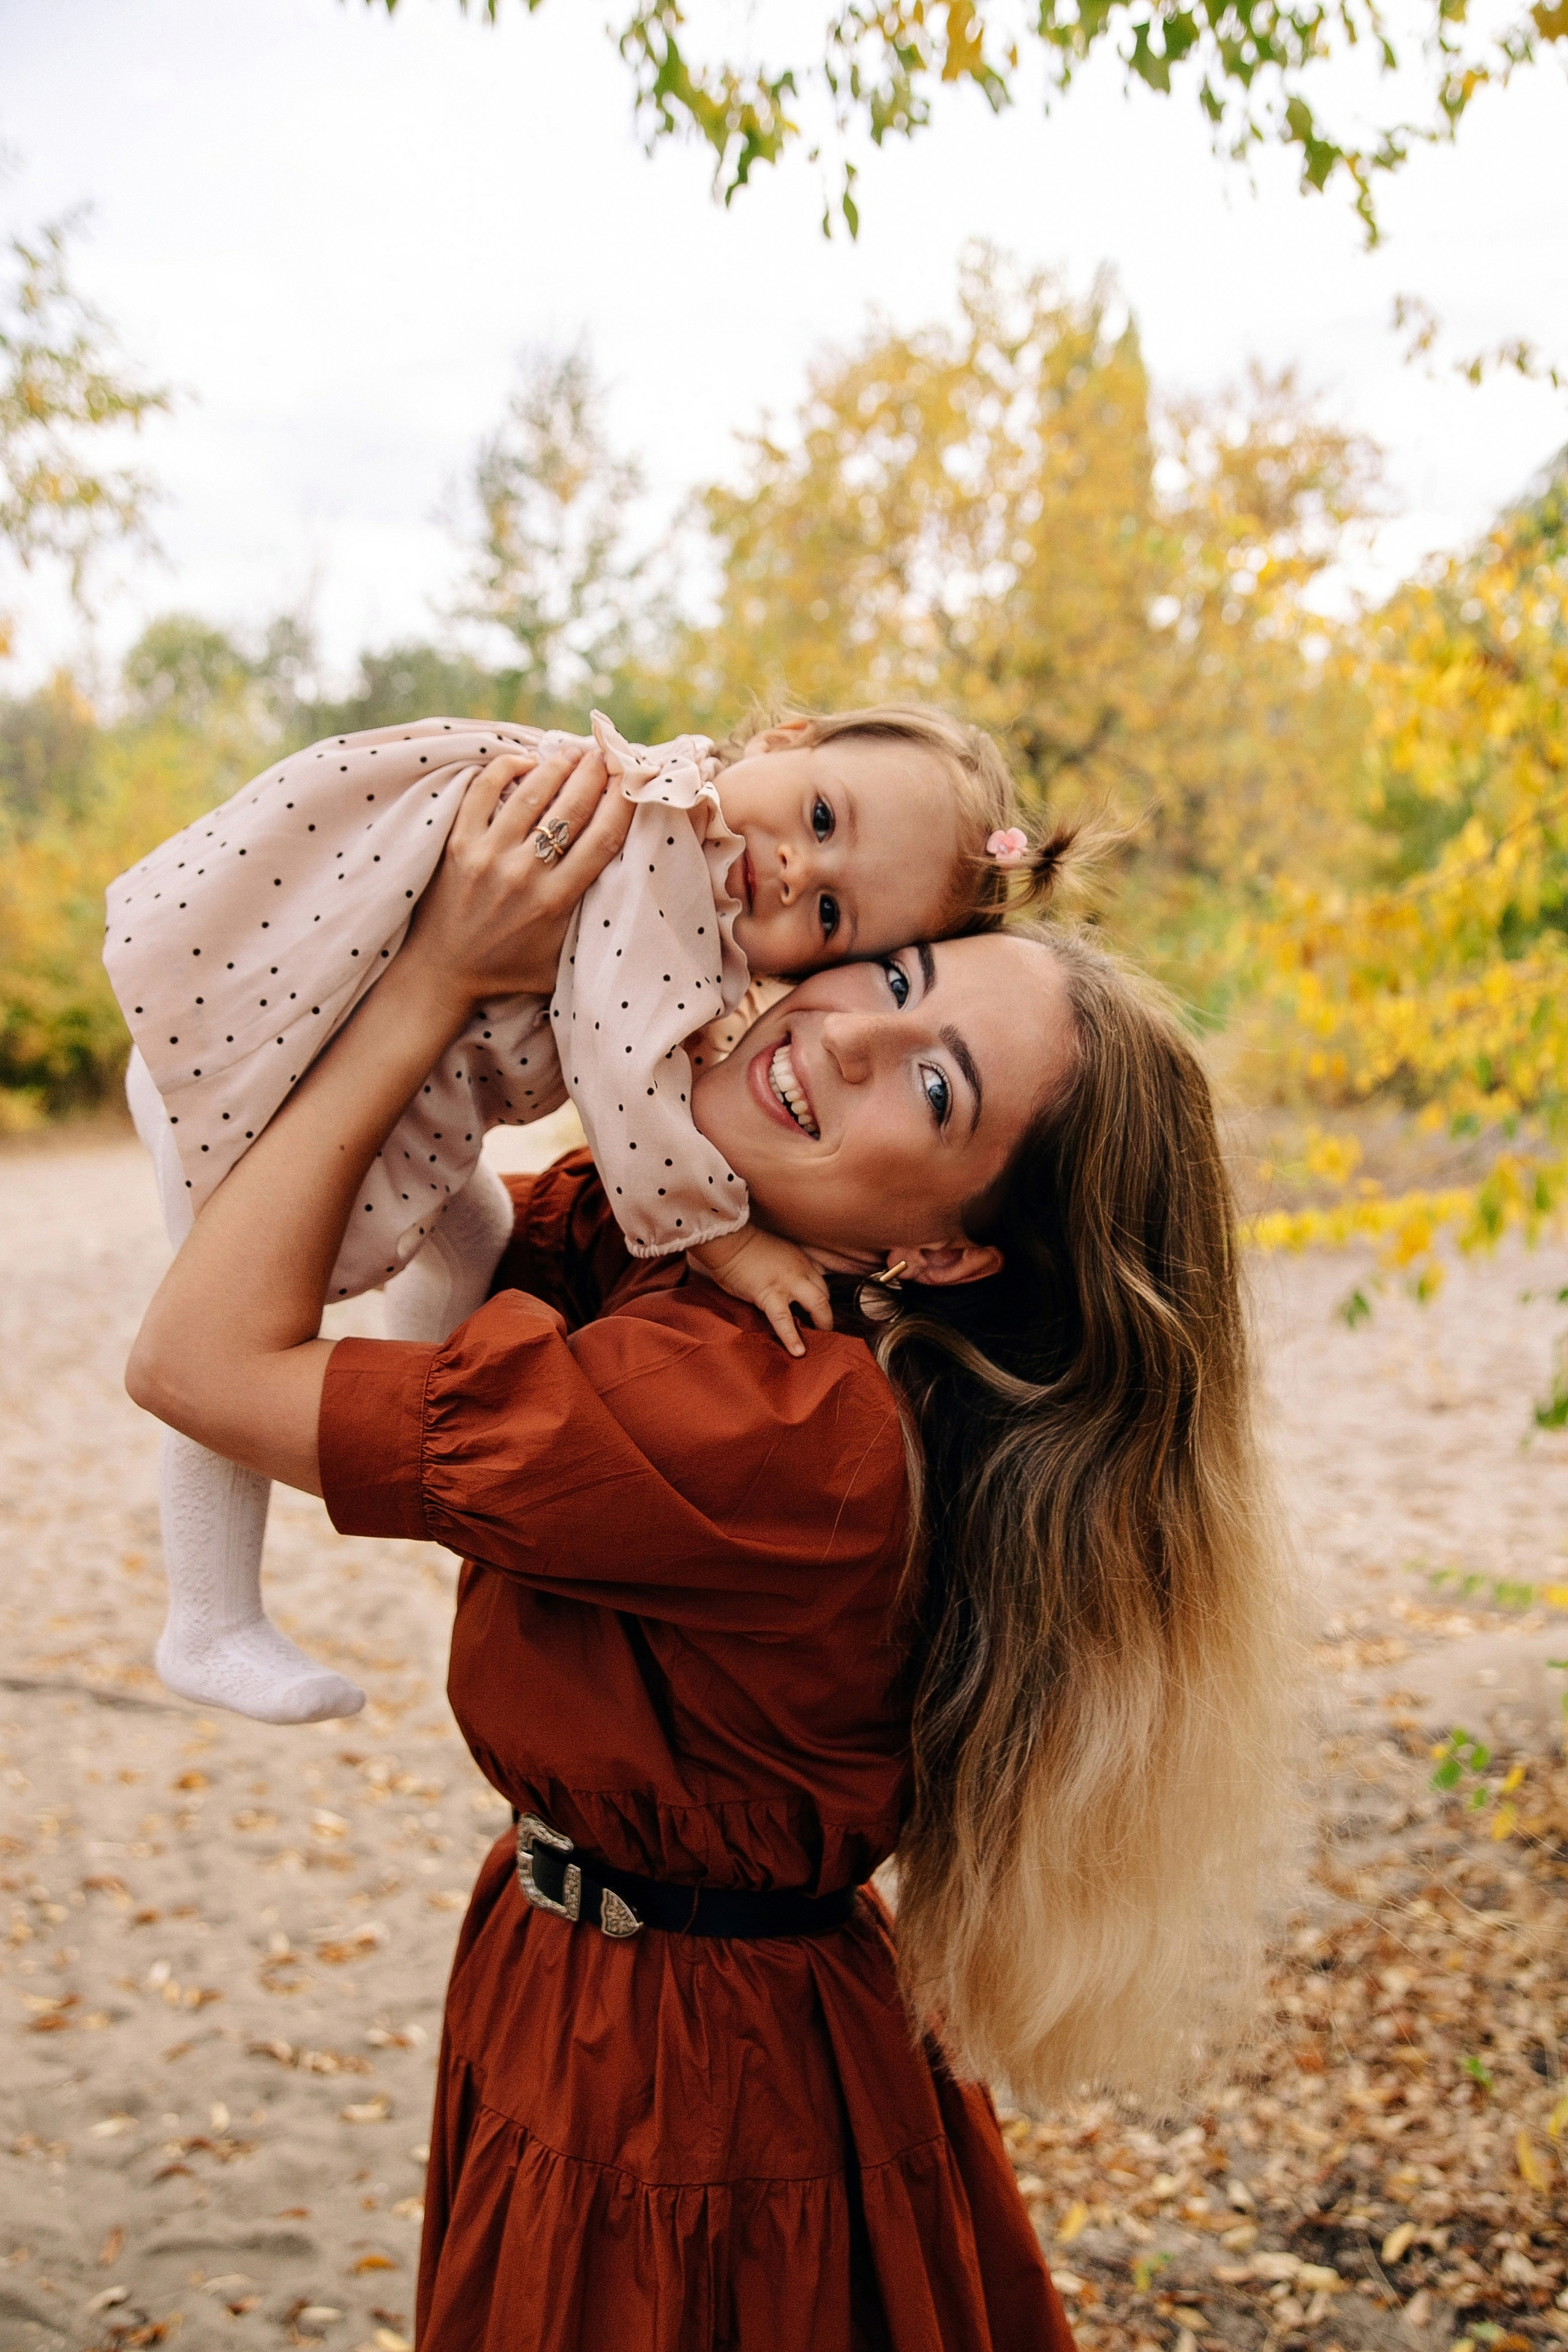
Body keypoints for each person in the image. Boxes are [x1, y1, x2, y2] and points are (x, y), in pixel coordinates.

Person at [126, 741, 1289, 2352]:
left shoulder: (777, 1431)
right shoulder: (708, 1250)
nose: (845, 1032)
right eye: (887, 973)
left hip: (681, 2089)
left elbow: (194, 1366)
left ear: (939, 1246)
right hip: (593, 1986)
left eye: (931, 1084)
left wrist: (429, 984)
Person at [107, 704, 1069, 1727]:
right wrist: (727, 1238)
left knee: (473, 1230)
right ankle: (208, 1618)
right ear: (787, 739)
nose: (794, 871)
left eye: (832, 915)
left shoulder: (678, 865)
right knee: (235, 1303)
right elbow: (621, 1074)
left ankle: (423, 1384)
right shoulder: (654, 849)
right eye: (822, 817)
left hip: (288, 1041)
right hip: (252, 1071)